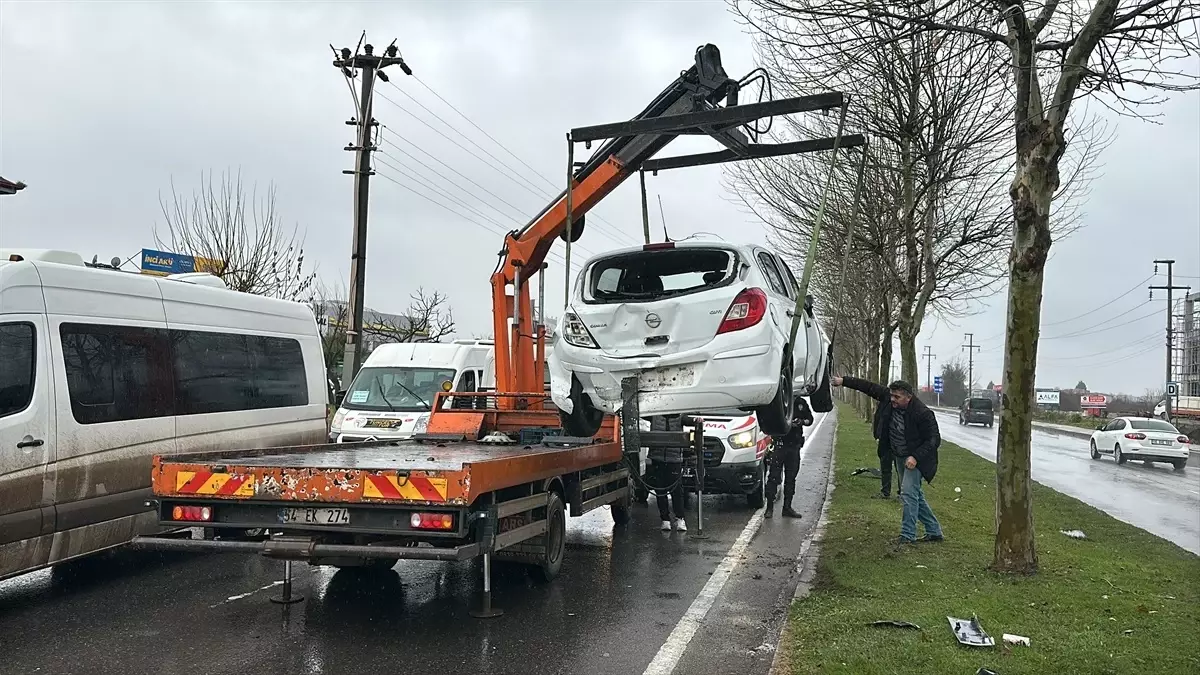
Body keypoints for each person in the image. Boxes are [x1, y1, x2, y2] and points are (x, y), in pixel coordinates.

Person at [832, 376, 944, 545]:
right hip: (898, 455)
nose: (892, 399)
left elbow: (934, 439)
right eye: (891, 395)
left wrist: (915, 457)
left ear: (908, 397)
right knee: (914, 495)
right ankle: (934, 531)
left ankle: (908, 535)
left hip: (917, 459)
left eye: (897, 397)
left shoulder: (923, 413)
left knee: (907, 493)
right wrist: (843, 381)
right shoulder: (887, 398)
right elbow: (867, 386)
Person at [765, 396, 814, 519]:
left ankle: (787, 507)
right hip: (780, 445)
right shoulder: (779, 401)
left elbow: (810, 419)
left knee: (791, 478)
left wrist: (801, 422)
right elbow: (770, 420)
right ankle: (769, 508)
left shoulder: (800, 402)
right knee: (773, 477)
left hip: (794, 446)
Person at [646, 415, 689, 532]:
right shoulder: (654, 416)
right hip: (657, 458)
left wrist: (696, 420)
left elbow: (688, 420)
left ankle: (680, 518)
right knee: (660, 490)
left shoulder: (680, 417)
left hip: (674, 459)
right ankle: (665, 520)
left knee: (677, 491)